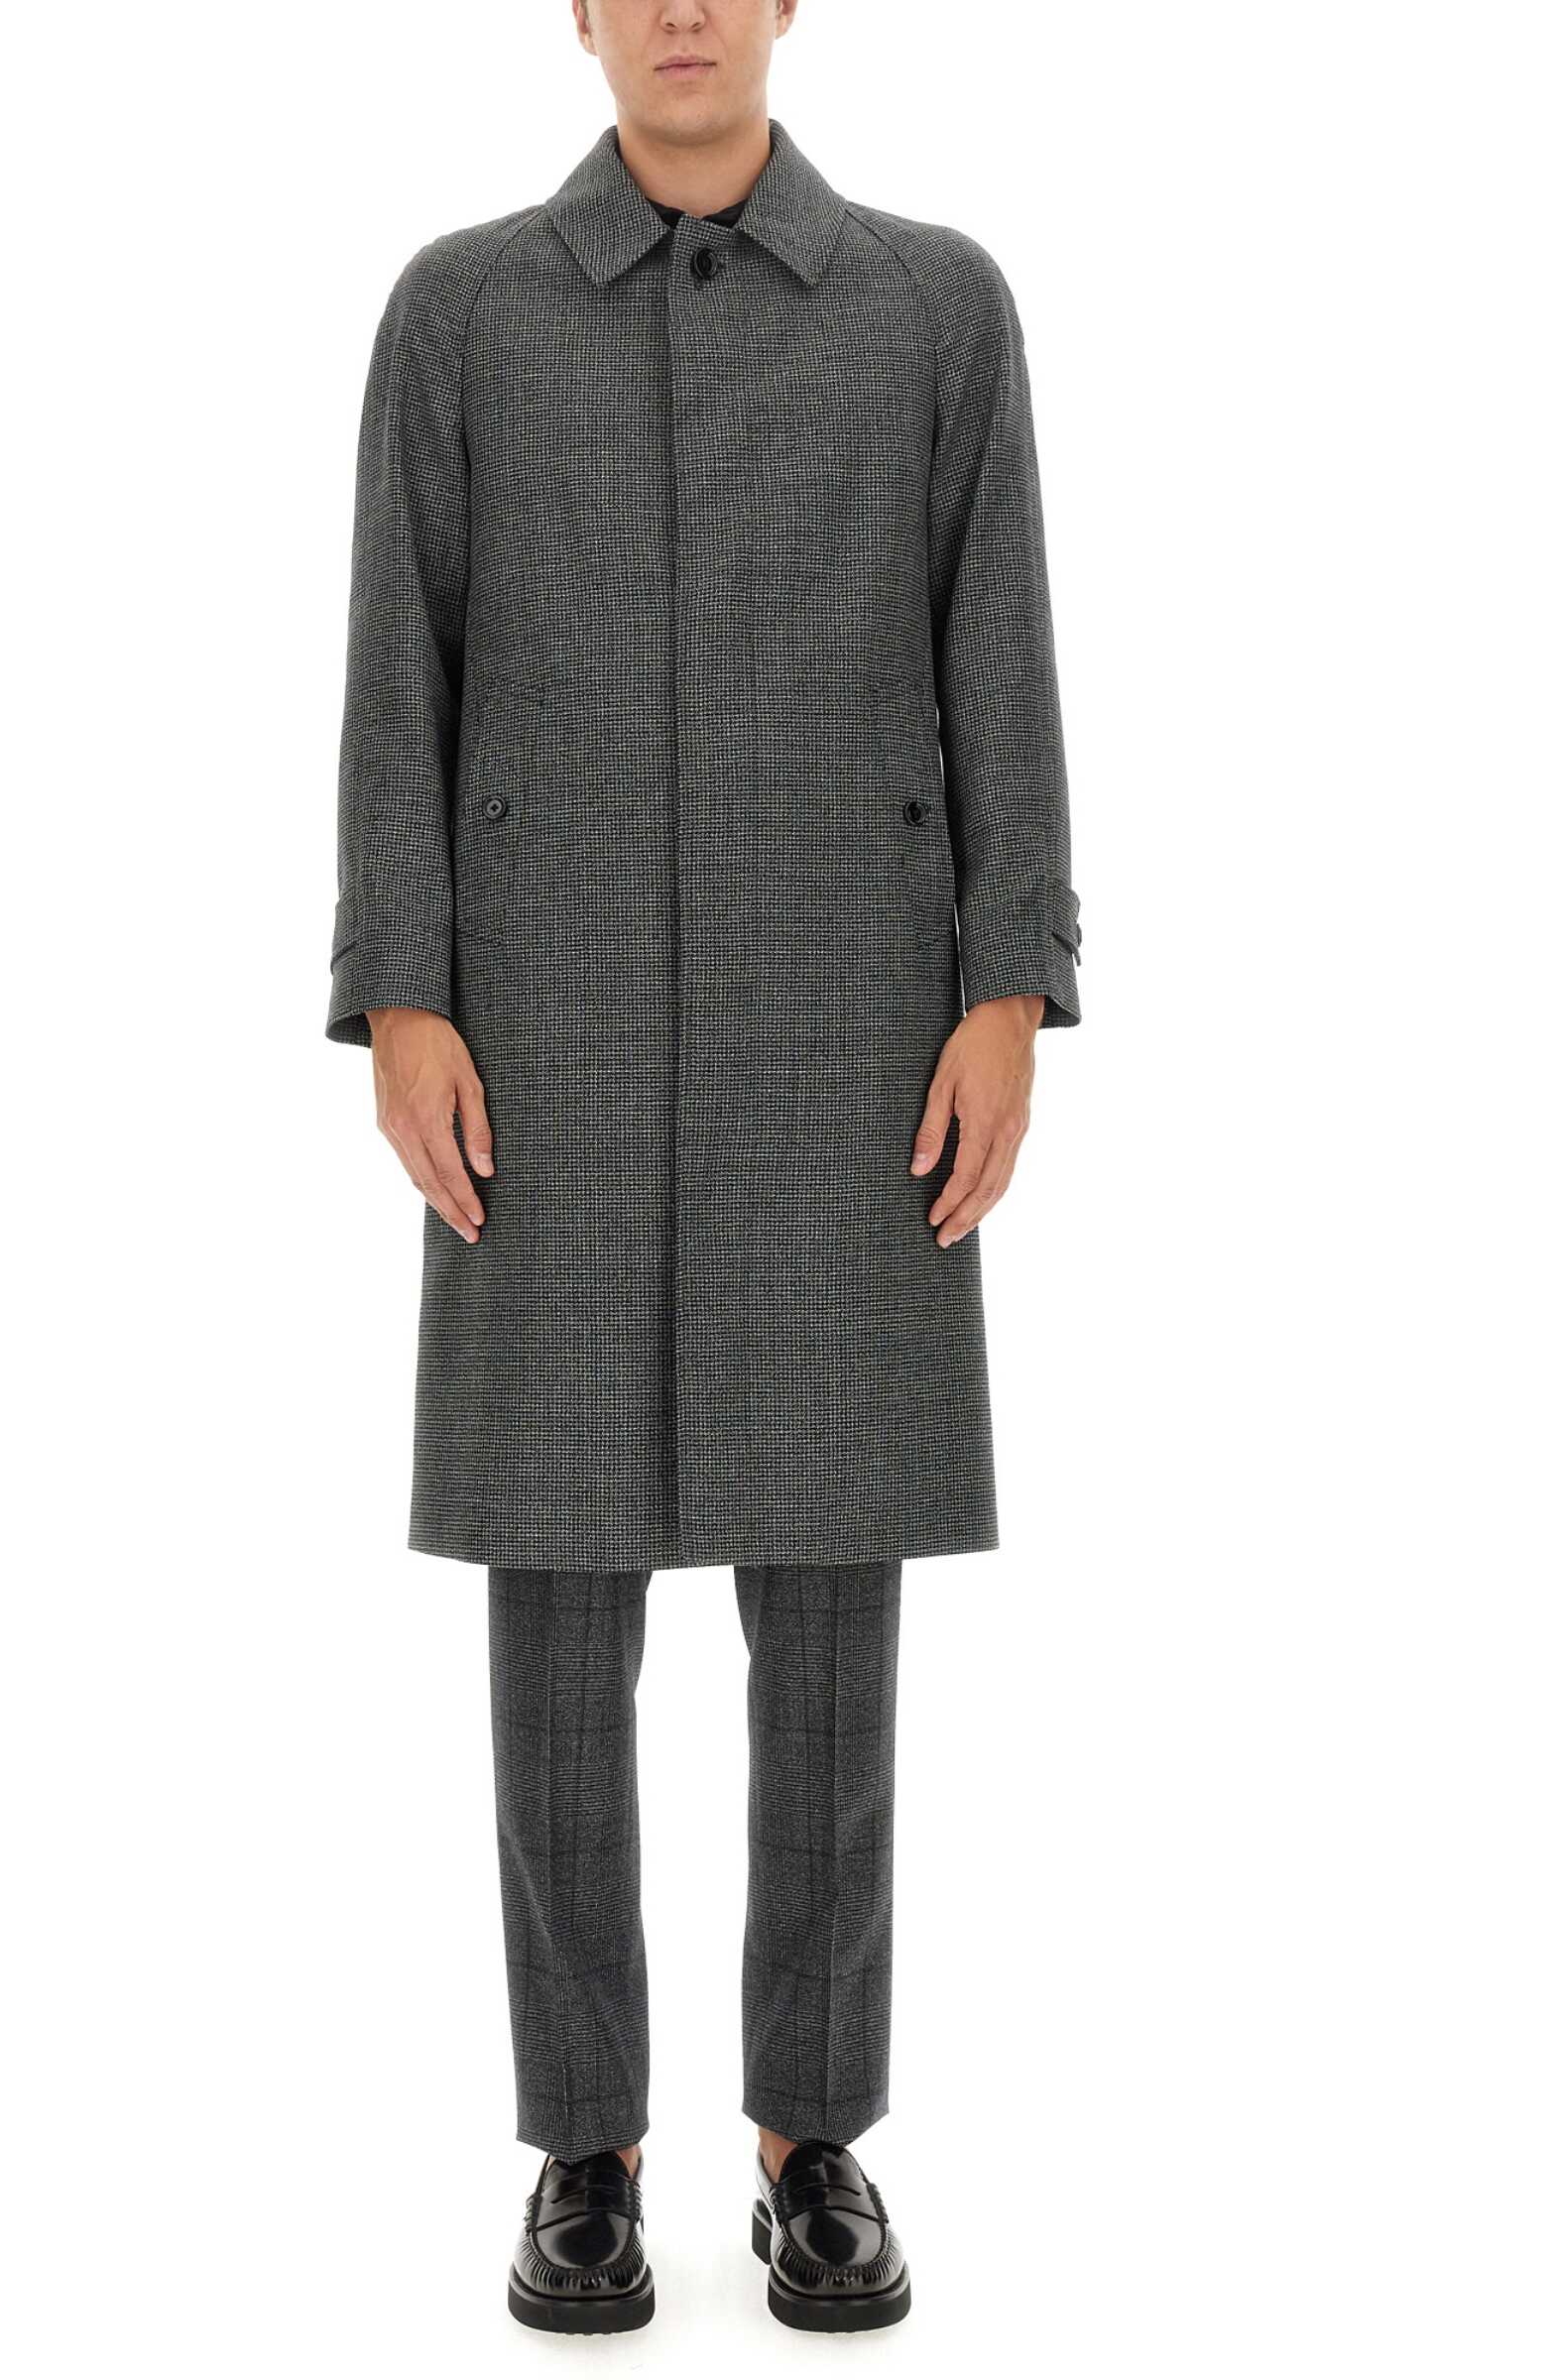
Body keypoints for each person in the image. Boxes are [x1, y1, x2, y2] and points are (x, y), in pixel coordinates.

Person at [324, 0, 1081, 2336]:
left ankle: (810, 2135)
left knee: (829, 1589)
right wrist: (401, 986)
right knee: (554, 1595)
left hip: (846, 1014)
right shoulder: (458, 311)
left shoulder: (933, 306)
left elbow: (994, 649)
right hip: (541, 1022)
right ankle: (584, 2150)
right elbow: (398, 672)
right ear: (574, 7)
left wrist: (1007, 975)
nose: (678, 8)